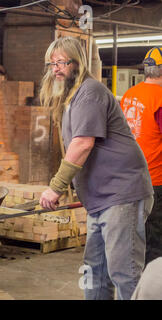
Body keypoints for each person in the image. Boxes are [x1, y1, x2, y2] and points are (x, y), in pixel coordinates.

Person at [38, 37, 153, 300]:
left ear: (77, 63)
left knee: (125, 272)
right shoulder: (70, 99)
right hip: (100, 201)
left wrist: (55, 187)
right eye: (51, 63)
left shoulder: (90, 92)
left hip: (121, 194)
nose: (56, 69)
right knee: (94, 273)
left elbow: (81, 145)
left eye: (62, 62)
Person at [120, 47, 162, 266]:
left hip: (129, 179)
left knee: (135, 235)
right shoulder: (160, 98)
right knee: (155, 240)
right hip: (155, 181)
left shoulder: (129, 94)